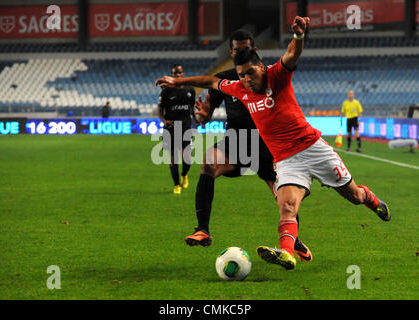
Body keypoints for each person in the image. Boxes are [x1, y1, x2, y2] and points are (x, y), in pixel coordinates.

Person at [156, 16, 391, 271]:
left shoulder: (277, 76)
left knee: (354, 196)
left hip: (313, 149)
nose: (246, 79)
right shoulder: (240, 89)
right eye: (241, 75)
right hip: (286, 160)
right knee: (287, 206)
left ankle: (373, 201)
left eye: (250, 73)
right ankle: (287, 253)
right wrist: (176, 82)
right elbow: (212, 82)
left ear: (261, 67)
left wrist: (299, 36)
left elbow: (291, 54)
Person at [184, 29, 313, 263]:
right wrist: (202, 117)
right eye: (235, 49)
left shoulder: (269, 75)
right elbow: (206, 113)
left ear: (253, 50)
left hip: (268, 145)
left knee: (283, 197)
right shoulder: (225, 79)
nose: (238, 52)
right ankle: (202, 230)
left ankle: (293, 240)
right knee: (209, 164)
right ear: (231, 51)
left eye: (244, 48)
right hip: (236, 141)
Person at [158, 64, 196, 194]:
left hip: (185, 128)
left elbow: (192, 109)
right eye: (175, 74)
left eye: (180, 73)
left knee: (187, 158)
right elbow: (160, 110)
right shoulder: (166, 92)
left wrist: (197, 119)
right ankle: (176, 185)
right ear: (172, 76)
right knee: (173, 159)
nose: (178, 75)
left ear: (183, 74)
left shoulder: (190, 90)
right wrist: (164, 121)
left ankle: (184, 175)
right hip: (171, 129)